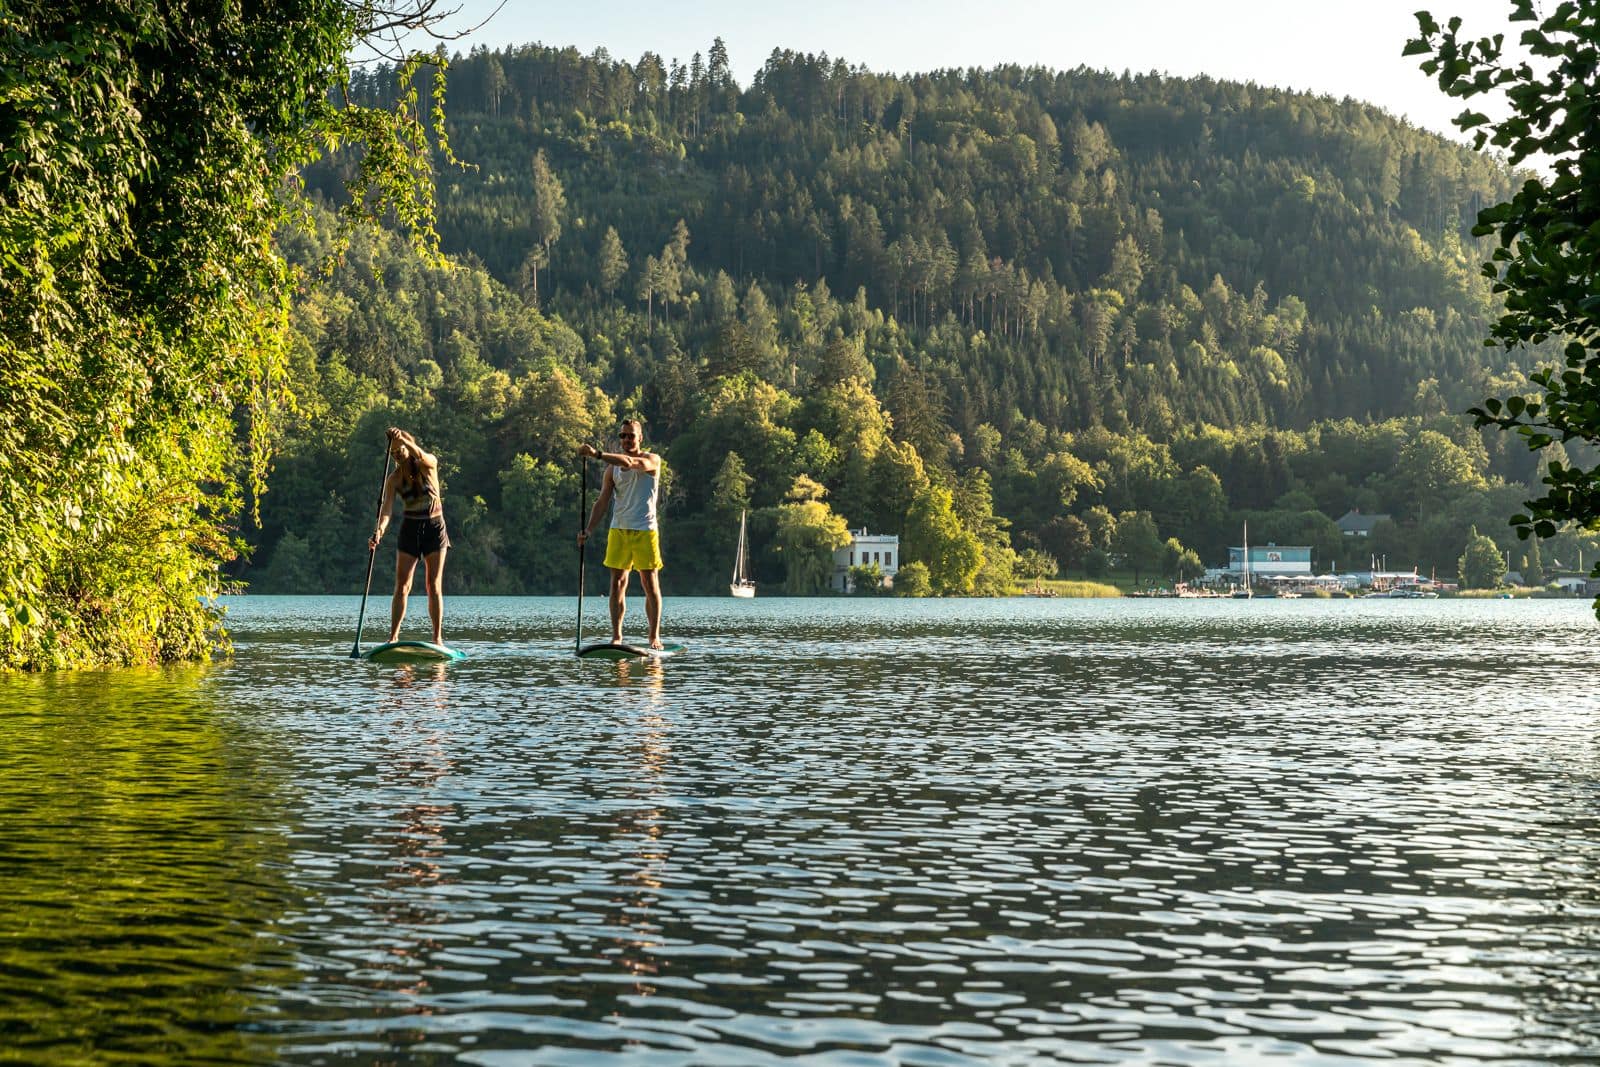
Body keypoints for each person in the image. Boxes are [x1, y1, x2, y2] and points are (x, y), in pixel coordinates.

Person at [578, 419, 665, 648]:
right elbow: (602, 502)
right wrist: (588, 530)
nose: (627, 440)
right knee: (617, 583)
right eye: (623, 436)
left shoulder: (652, 460)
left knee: (649, 582)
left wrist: (596, 454)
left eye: (631, 436)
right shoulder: (611, 470)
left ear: (640, 438)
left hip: (645, 530)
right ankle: (617, 636)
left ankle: (654, 636)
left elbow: (629, 461)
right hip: (619, 530)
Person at [369, 427, 450, 645]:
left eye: (400, 451)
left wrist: (403, 439)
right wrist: (379, 531)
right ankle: (393, 638)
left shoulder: (428, 463)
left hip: (434, 526)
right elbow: (386, 510)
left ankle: (437, 639)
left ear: (407, 445)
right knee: (402, 586)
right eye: (393, 454)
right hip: (410, 529)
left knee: (433, 585)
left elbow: (421, 455)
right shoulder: (393, 479)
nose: (397, 456)